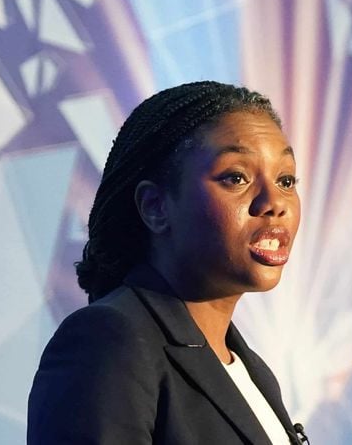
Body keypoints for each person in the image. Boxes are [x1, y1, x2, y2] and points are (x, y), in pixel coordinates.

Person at [27, 81, 308, 444]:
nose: (275, 202)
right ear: (155, 207)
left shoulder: (254, 373)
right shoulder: (110, 341)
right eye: (235, 177)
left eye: (286, 179)